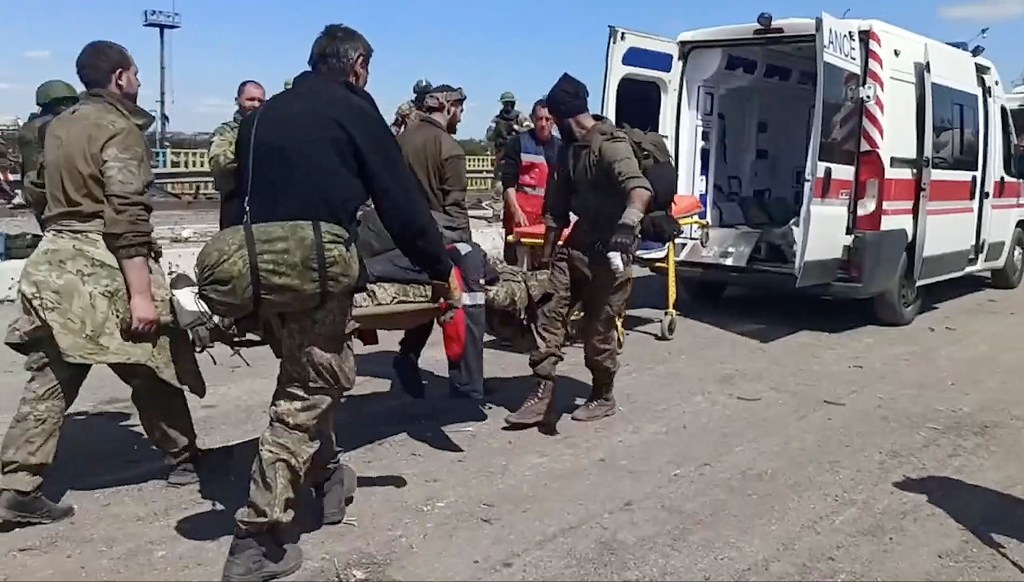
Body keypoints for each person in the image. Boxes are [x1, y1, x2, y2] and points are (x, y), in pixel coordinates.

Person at [221, 24, 459, 582]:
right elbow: (397, 198)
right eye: (367, 72)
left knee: (304, 375)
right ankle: (256, 539)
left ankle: (328, 478)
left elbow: (235, 197)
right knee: (307, 392)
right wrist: (438, 266)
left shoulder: (261, 117)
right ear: (356, 67)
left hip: (256, 272)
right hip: (315, 273)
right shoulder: (355, 110)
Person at [0, 40, 206, 527]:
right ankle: (183, 459)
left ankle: (16, 484)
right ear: (120, 78)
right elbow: (126, 215)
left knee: (51, 376)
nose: (137, 83)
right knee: (150, 362)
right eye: (134, 75)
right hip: (103, 264)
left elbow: (35, 191)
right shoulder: (119, 130)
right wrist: (140, 294)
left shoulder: (55, 126)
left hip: (53, 263)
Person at [505, 73, 652, 427]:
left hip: (610, 253)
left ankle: (603, 393)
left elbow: (640, 189)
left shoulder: (610, 145)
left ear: (563, 115)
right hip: (577, 246)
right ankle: (542, 391)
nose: (551, 127)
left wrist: (628, 225)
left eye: (553, 119)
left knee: (598, 329)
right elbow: (556, 209)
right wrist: (547, 255)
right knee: (548, 311)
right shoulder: (570, 149)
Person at [393, 83, 488, 402]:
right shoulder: (450, 149)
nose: (460, 115)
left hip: (398, 238)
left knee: (430, 300)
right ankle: (465, 382)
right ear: (449, 107)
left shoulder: (402, 140)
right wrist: (470, 251)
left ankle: (408, 353)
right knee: (463, 301)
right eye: (460, 108)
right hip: (438, 239)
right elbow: (456, 210)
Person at [499, 98, 561, 265]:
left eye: (547, 119)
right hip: (520, 214)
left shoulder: (561, 148)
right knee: (517, 264)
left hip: (546, 217)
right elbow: (508, 184)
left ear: (554, 121)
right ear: (532, 119)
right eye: (539, 118)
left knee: (544, 264)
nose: (543, 123)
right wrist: (516, 211)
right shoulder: (517, 144)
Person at [208, 80, 266, 230]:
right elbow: (218, 163)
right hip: (235, 202)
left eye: (260, 100)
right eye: (250, 99)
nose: (256, 104)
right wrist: (245, 150)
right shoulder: (227, 132)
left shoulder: (268, 130)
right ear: (238, 100)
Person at [17, 80, 80, 217]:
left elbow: (30, 175)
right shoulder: (39, 128)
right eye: (65, 103)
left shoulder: (31, 128)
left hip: (48, 198)